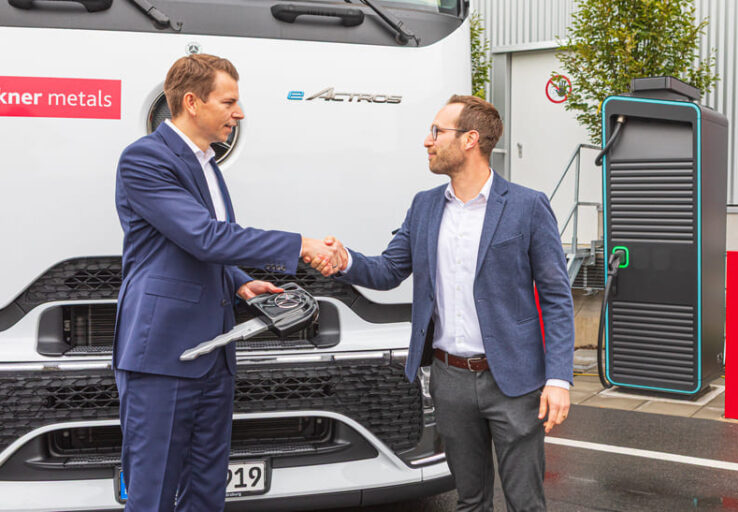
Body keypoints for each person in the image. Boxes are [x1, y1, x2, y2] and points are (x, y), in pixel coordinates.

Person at [113, 54, 345, 511]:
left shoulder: (209, 165)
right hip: (163, 355)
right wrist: (300, 244)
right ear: (192, 102)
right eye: (230, 101)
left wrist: (241, 282)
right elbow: (202, 236)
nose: (239, 114)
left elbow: (198, 244)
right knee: (154, 492)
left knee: (207, 488)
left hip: (213, 355)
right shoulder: (144, 158)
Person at [322, 95, 574, 511]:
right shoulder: (424, 206)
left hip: (512, 379)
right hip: (449, 379)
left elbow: (556, 298)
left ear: (471, 139)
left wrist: (559, 379)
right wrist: (343, 259)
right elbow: (388, 271)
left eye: (437, 131)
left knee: (525, 503)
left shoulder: (527, 206)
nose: (428, 140)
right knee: (470, 501)